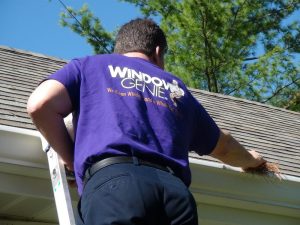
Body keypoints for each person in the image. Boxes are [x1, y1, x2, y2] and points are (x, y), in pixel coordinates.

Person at [27, 18, 266, 225]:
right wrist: (252, 160)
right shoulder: (177, 89)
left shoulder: (91, 65)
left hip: (115, 187)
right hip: (175, 196)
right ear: (159, 52)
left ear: (119, 50)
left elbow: (40, 104)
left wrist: (71, 159)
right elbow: (223, 146)